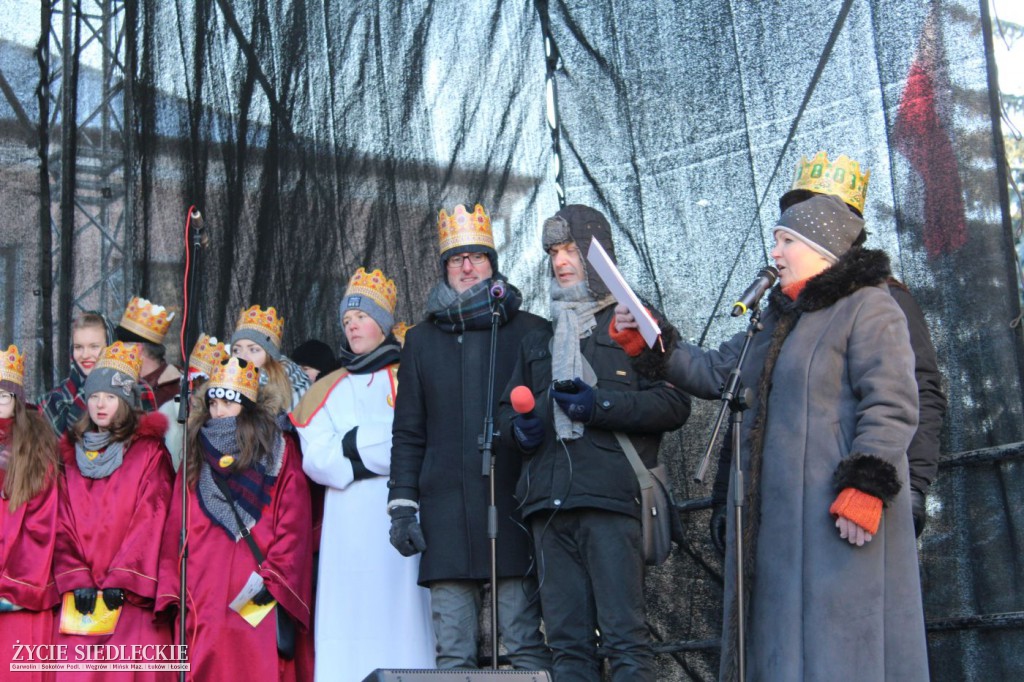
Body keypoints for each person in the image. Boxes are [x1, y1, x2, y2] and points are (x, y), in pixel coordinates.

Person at [614, 192, 928, 680]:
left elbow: (893, 402)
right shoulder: (775, 319)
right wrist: (650, 342)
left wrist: (864, 486)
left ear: (821, 250)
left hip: (837, 513)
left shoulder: (871, 306)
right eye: (775, 240)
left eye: (785, 241)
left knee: (840, 646)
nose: (774, 252)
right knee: (779, 647)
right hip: (776, 521)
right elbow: (718, 371)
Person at [496, 204, 691, 682]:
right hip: (548, 507)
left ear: (598, 255)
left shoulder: (635, 318)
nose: (561, 260)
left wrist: (598, 406)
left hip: (610, 500)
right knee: (567, 650)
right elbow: (506, 414)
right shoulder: (536, 339)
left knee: (626, 643)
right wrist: (520, 432)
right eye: (554, 252)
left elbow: (674, 403)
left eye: (572, 249)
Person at [388, 203, 551, 671]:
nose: (466, 266)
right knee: (453, 651)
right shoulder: (420, 340)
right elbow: (409, 430)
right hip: (445, 513)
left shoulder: (531, 330)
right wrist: (402, 505)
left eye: (477, 256)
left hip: (514, 503)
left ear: (493, 265)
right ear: (444, 269)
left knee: (523, 642)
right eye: (457, 259)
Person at [293, 267, 435, 678]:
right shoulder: (326, 387)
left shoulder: (410, 375)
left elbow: (411, 443)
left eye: (363, 317)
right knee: (347, 615)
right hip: (345, 521)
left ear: (384, 323)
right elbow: (316, 460)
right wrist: (371, 448)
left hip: (399, 509)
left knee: (401, 611)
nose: (353, 325)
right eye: (347, 320)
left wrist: (350, 444)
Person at [155, 356, 314, 681]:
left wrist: (273, 584)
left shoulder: (280, 451)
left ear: (247, 405)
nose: (218, 411)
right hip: (203, 595)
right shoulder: (195, 453)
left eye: (228, 402)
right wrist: (174, 590)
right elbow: (176, 527)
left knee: (258, 667)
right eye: (213, 402)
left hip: (259, 593)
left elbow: (294, 524)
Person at [53, 342, 175, 681]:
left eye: (109, 396)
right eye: (94, 396)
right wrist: (75, 575)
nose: (100, 404)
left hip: (128, 599)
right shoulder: (69, 458)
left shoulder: (149, 452)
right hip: (81, 601)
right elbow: (59, 521)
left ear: (125, 400)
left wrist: (123, 577)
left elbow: (152, 518)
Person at [0, 345, 60, 682]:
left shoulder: (37, 451)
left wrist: (13, 584)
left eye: (2, 396)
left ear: (17, 400)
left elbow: (42, 524)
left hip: (18, 594)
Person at [41, 311, 158, 437]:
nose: (85, 355)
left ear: (110, 345)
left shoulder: (136, 389)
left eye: (94, 347)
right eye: (78, 347)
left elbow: (149, 448)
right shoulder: (54, 400)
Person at [230, 305, 311, 412]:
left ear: (270, 356)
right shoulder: (222, 384)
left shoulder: (297, 386)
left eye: (253, 350)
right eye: (236, 350)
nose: (243, 358)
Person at [116, 296, 181, 407]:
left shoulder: (174, 390)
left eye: (123, 347)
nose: (117, 352)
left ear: (138, 350)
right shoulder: (118, 381)